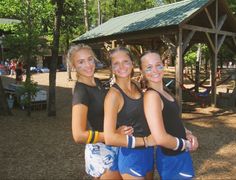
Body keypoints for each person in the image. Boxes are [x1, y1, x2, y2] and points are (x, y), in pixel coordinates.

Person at [69, 44, 133, 179]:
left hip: (115, 144)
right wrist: (112, 134)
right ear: (73, 66)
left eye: (90, 59)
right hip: (102, 150)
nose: (88, 65)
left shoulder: (97, 82)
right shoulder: (81, 91)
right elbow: (78, 135)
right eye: (81, 62)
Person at [140, 50, 198, 180]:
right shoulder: (152, 96)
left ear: (163, 66)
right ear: (142, 72)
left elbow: (172, 121)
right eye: (149, 67)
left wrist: (187, 132)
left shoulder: (165, 91)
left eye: (158, 65)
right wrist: (186, 144)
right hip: (171, 158)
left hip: (180, 154)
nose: (155, 70)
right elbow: (160, 138)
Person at [104, 47, 154, 179]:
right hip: (130, 155)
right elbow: (109, 138)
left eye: (125, 61)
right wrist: (145, 141)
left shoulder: (136, 85)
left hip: (148, 152)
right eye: (116, 63)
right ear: (112, 68)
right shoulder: (113, 96)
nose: (121, 66)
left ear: (132, 64)